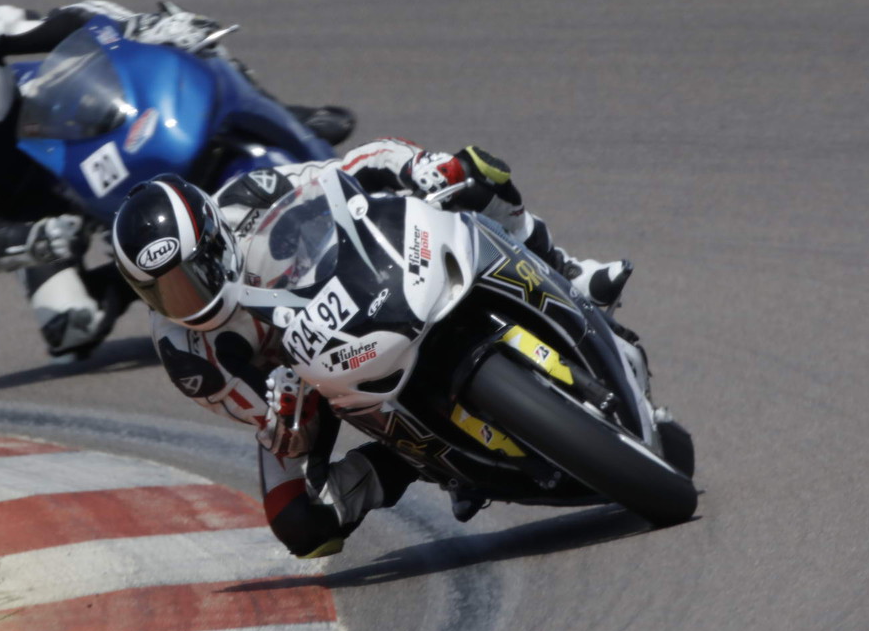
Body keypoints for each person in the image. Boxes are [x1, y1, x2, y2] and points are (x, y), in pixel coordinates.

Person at [110, 139, 637, 558]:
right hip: (301, 377)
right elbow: (277, 431)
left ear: (214, 236)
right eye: (165, 290)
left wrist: (421, 167)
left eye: (195, 272)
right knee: (301, 525)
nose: (188, 297)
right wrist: (286, 414)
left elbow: (345, 170)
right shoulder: (187, 355)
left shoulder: (248, 197)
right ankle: (422, 461)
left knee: (475, 170)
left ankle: (569, 271)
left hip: (349, 286)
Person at [0, 0, 356, 359]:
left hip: (53, 128)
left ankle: (278, 118)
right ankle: (143, 273)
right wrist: (33, 239)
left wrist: (142, 26)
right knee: (72, 328)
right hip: (29, 211)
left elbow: (66, 21)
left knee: (186, 48)